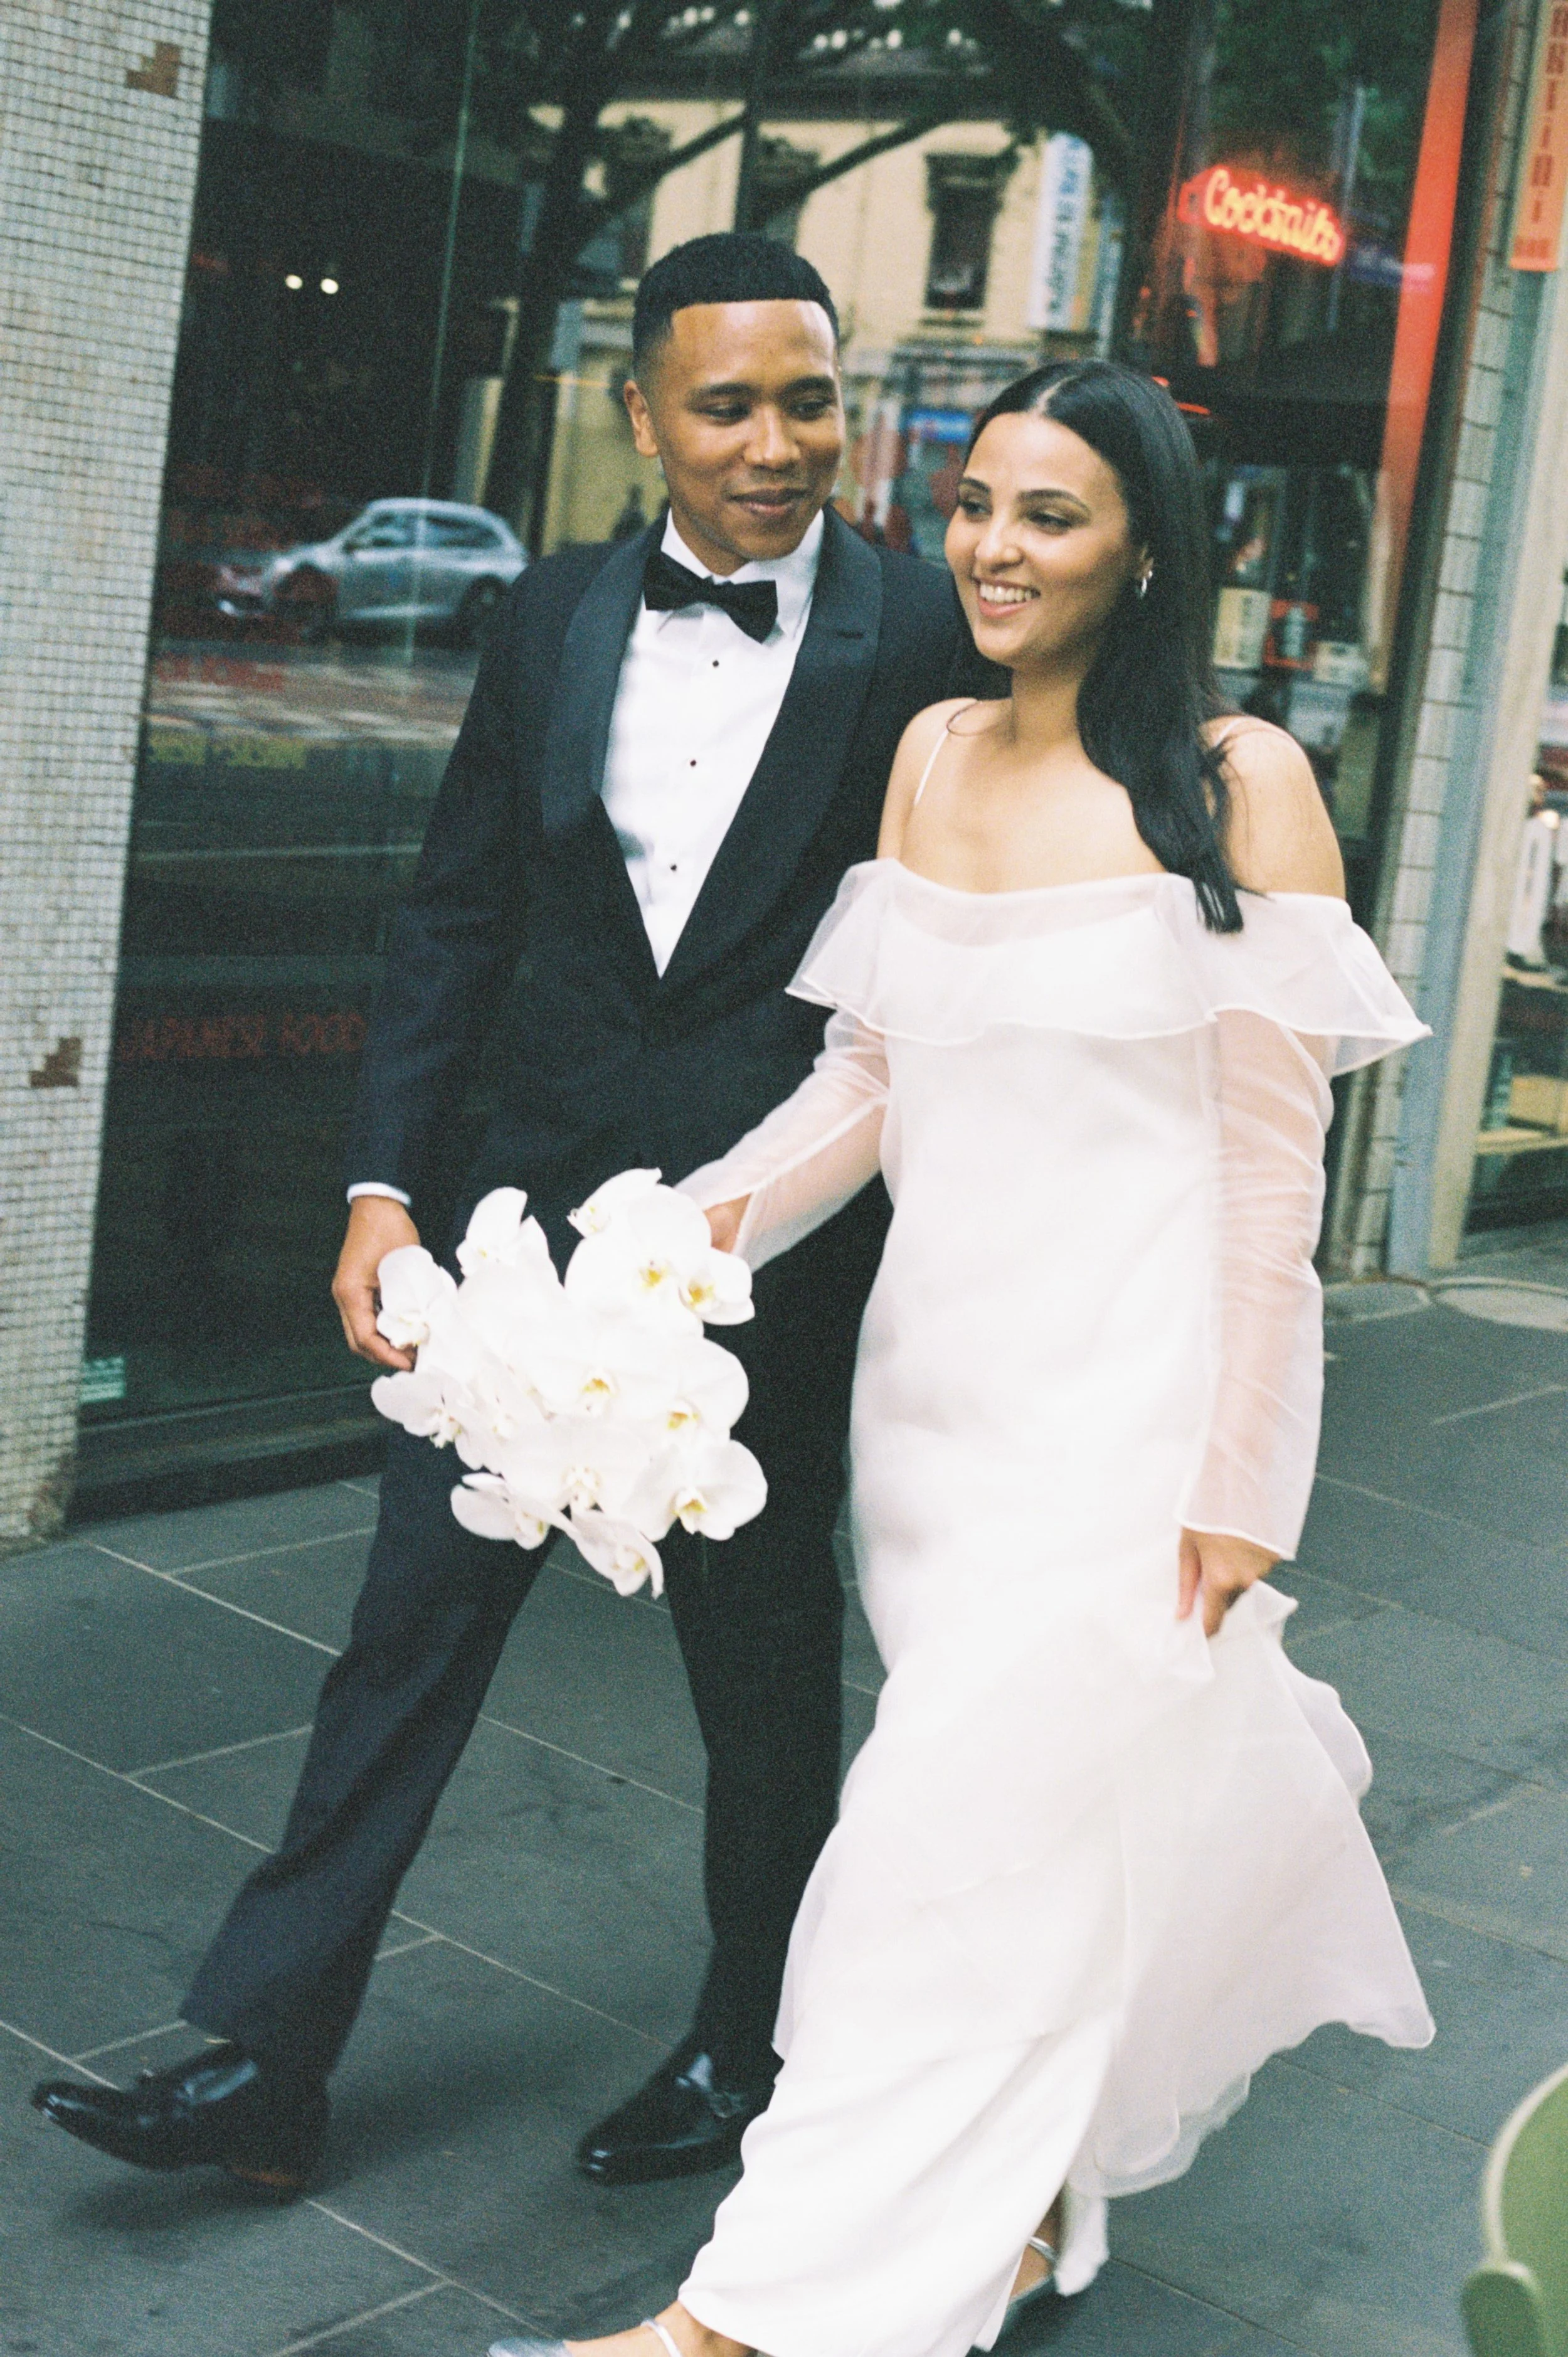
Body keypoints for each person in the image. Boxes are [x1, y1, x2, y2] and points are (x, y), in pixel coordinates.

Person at [485, 361, 1435, 2357]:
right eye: (975, 503)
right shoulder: (928, 754)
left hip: (1130, 1417)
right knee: (1027, 1855)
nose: (992, 549)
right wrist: (681, 1233)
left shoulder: (1241, 781)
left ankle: (738, 2318)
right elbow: (870, 1078)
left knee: (923, 1857)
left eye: (1049, 515)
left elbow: (1272, 1186)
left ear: (1145, 549)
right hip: (936, 1404)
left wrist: (1243, 1475)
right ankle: (1009, 2218)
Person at [30, 234, 992, 2199]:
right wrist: (381, 1187)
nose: (774, 444)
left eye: (807, 401)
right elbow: (458, 916)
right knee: (403, 1635)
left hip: (766, 1251)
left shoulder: (919, 633)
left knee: (758, 1670)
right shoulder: (551, 610)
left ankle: (750, 2040)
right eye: (724, 405)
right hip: (516, 1237)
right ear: (638, 414)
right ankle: (269, 2058)